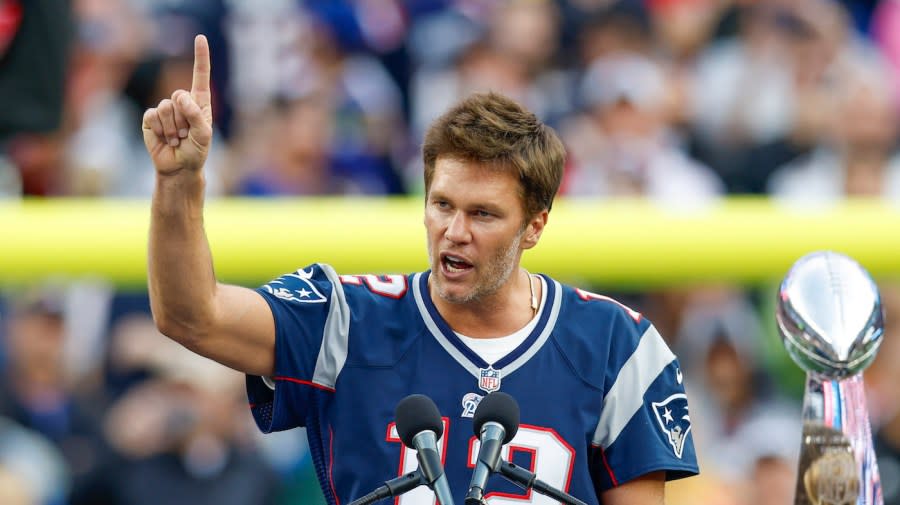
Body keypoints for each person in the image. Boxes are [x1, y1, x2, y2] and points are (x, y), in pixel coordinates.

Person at [141, 34, 699, 505]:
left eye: (483, 213)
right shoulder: (347, 318)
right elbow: (193, 316)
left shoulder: (618, 347)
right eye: (443, 205)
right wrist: (178, 182)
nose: (456, 230)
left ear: (534, 226)